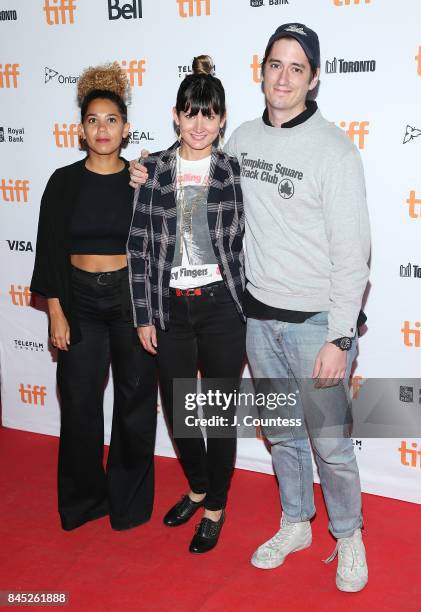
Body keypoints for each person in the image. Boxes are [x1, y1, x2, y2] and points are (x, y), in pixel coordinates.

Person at [130, 26, 371, 591]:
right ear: (260, 72)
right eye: (274, 65)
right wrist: (144, 168)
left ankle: (349, 534)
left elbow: (354, 253)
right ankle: (296, 522)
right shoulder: (238, 137)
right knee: (284, 435)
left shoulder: (335, 150)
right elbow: (193, 157)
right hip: (257, 318)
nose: (283, 77)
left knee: (331, 443)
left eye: (296, 67)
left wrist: (340, 338)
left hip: (317, 324)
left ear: (313, 79)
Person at [30, 63, 158, 532]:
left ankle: (128, 503)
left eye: (111, 120)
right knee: (81, 404)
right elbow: (49, 250)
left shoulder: (141, 181)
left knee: (135, 401)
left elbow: (160, 245)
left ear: (125, 129)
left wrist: (150, 191)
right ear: (80, 129)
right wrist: (55, 313)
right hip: (78, 301)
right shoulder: (62, 182)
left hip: (130, 301)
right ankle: (84, 501)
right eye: (93, 120)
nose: (102, 129)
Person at [127, 55, 246, 554]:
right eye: (190, 113)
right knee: (179, 413)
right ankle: (197, 486)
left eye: (209, 114)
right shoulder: (151, 170)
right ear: (175, 115)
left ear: (222, 120)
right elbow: (137, 247)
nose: (199, 124)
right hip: (170, 309)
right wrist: (142, 315)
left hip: (221, 309)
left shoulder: (235, 173)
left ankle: (214, 505)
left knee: (216, 416)